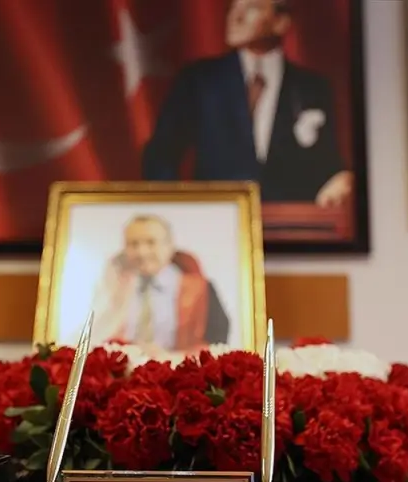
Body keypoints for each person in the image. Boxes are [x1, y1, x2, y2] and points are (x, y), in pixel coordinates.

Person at [142, 0, 353, 207]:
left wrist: (341, 179)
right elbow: (160, 156)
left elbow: (327, 165)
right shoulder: (199, 80)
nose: (236, 17)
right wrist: (179, 210)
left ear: (281, 21)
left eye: (251, 7)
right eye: (233, 8)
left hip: (290, 224)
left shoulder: (312, 87)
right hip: (219, 221)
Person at [87, 215, 230, 356]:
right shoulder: (113, 289)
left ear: (169, 245)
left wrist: (171, 357)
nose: (142, 252)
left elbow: (217, 345)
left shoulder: (200, 289)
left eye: (151, 242)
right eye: (133, 244)